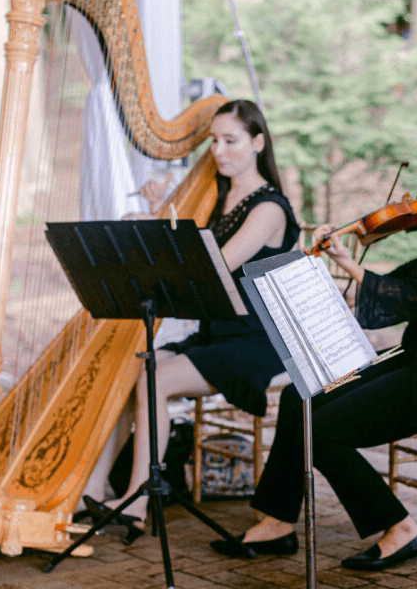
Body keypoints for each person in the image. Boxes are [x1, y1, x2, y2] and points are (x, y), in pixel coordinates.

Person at [210, 98, 417, 569]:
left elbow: (414, 294)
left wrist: (352, 268)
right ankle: (276, 520)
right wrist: (364, 262)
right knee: (301, 396)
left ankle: (400, 528)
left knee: (324, 431)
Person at [82, 99, 301, 541]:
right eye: (214, 141)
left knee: (153, 379)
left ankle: (138, 500)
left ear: (258, 143)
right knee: (127, 370)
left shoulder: (269, 209)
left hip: (255, 342)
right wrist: (163, 209)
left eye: (231, 141)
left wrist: (165, 227)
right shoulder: (217, 196)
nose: (219, 151)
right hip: (215, 336)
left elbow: (211, 270)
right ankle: (90, 489)